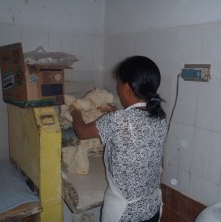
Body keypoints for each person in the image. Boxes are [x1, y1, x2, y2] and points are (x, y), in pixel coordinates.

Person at [70, 55, 168, 222]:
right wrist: (115, 112)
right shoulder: (159, 117)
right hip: (151, 208)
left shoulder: (118, 120)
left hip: (125, 214)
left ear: (127, 88)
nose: (117, 87)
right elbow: (134, 131)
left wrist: (75, 111)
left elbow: (81, 132)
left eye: (119, 83)